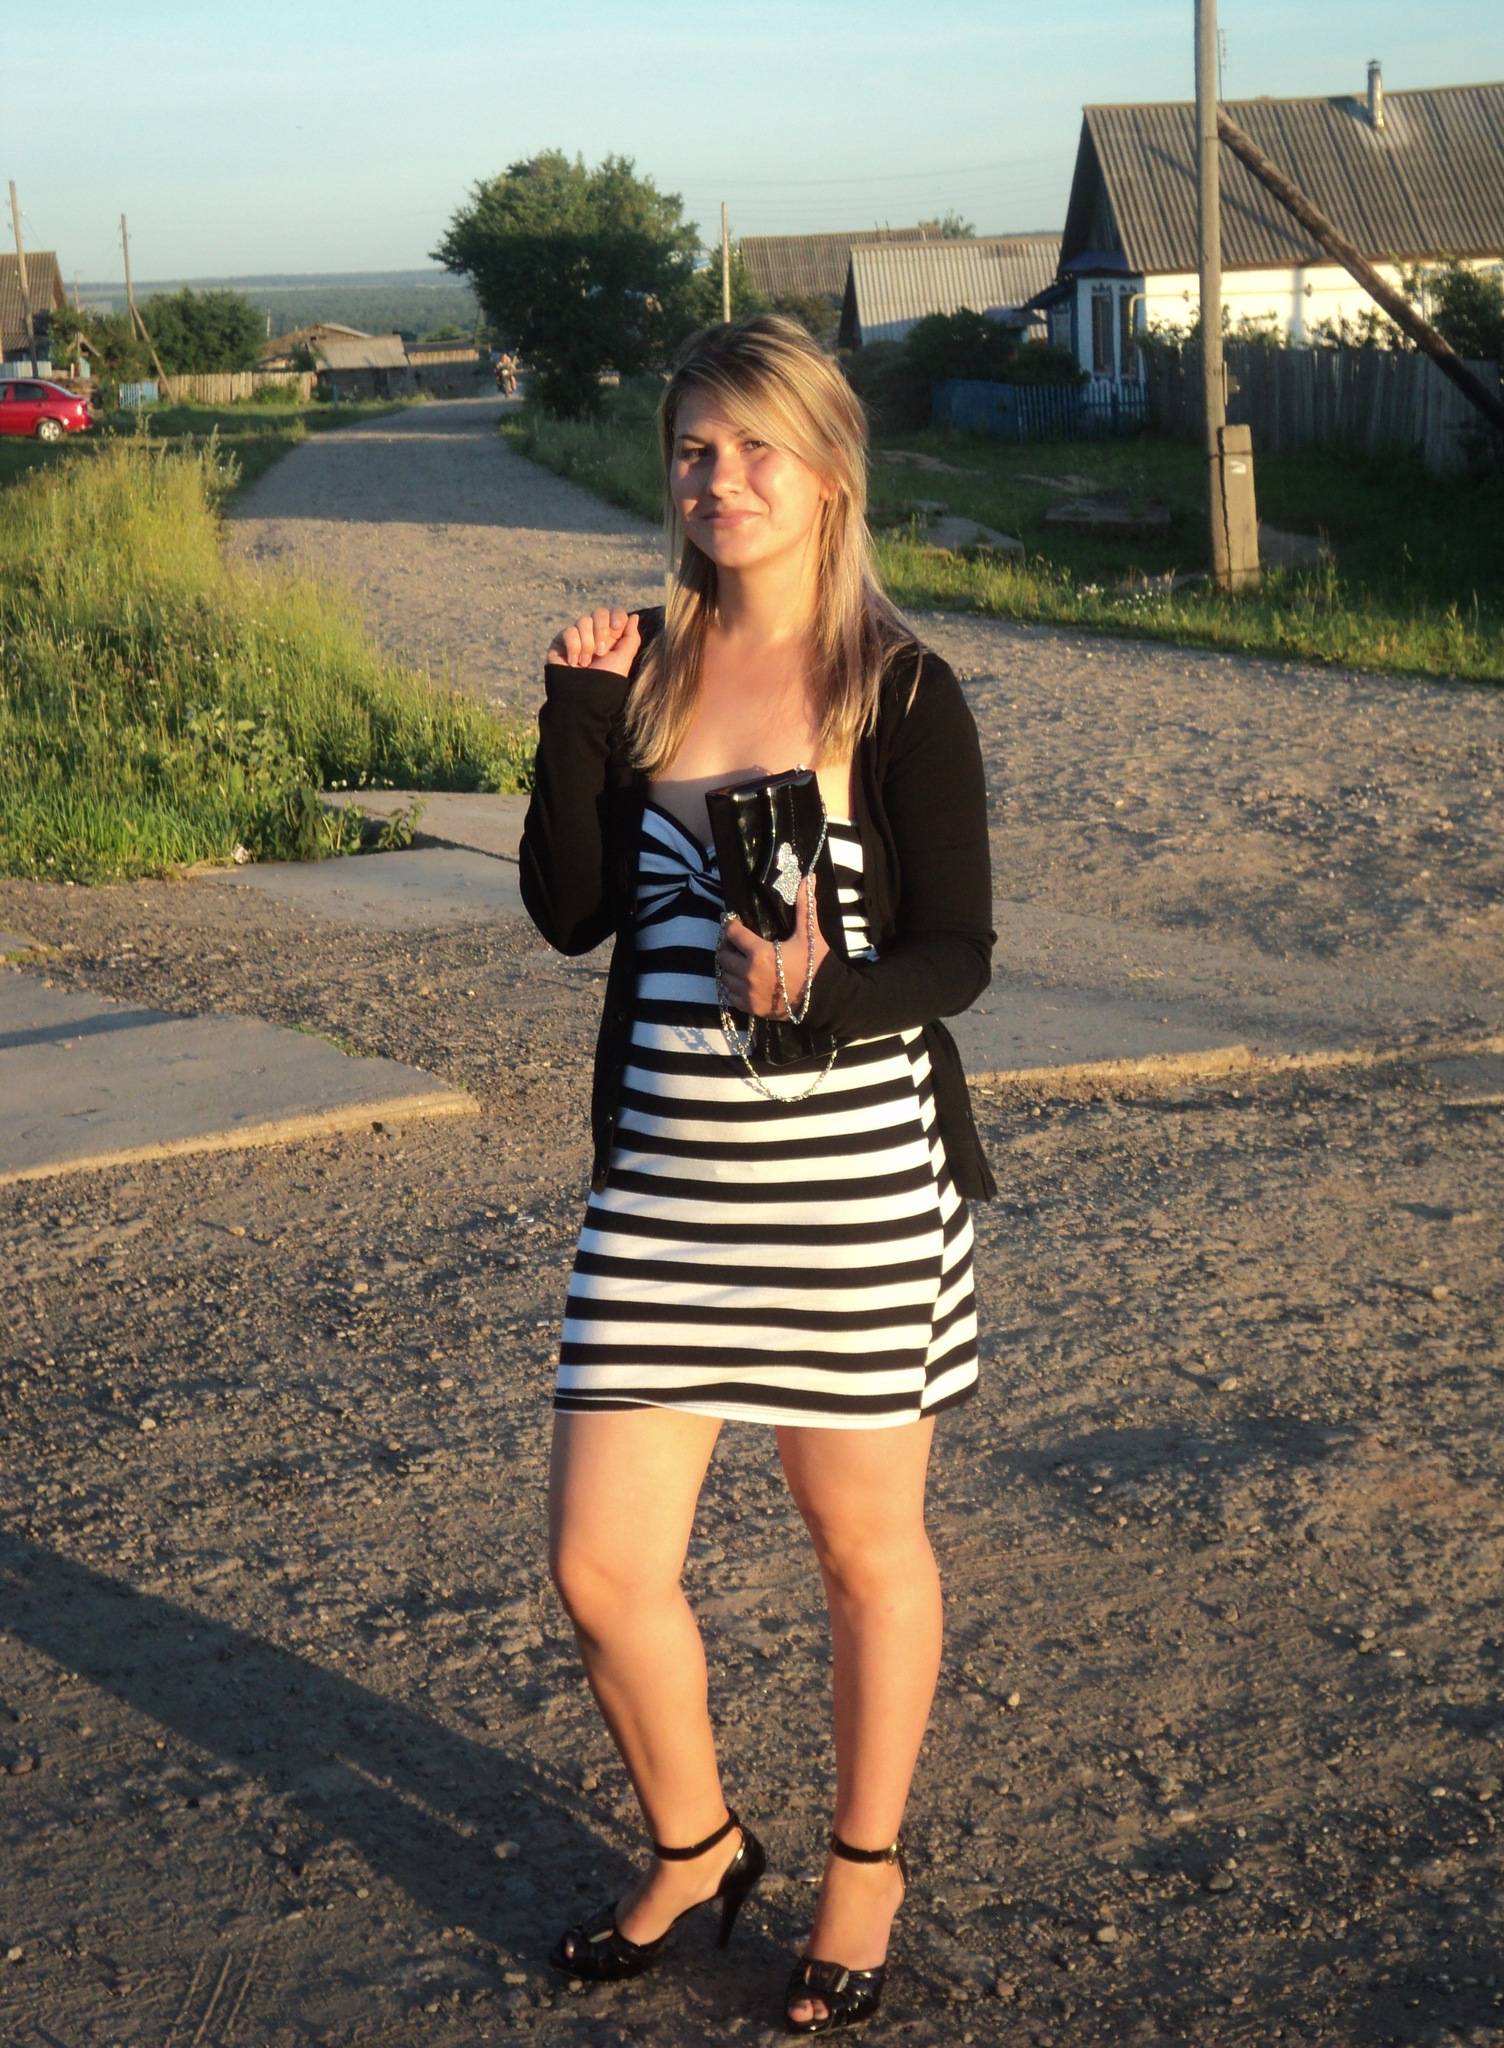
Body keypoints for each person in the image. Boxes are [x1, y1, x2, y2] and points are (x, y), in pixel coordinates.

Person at [520, 314, 994, 2035]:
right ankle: (699, 1842)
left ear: (830, 471)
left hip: (849, 1191)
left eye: (754, 449)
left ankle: (863, 1869)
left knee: (862, 1548)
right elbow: (574, 912)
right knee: (600, 1567)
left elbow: (959, 957)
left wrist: (822, 988)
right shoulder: (638, 666)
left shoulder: (902, 689)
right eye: (693, 451)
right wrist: (576, 716)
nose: (718, 480)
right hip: (661, 1191)